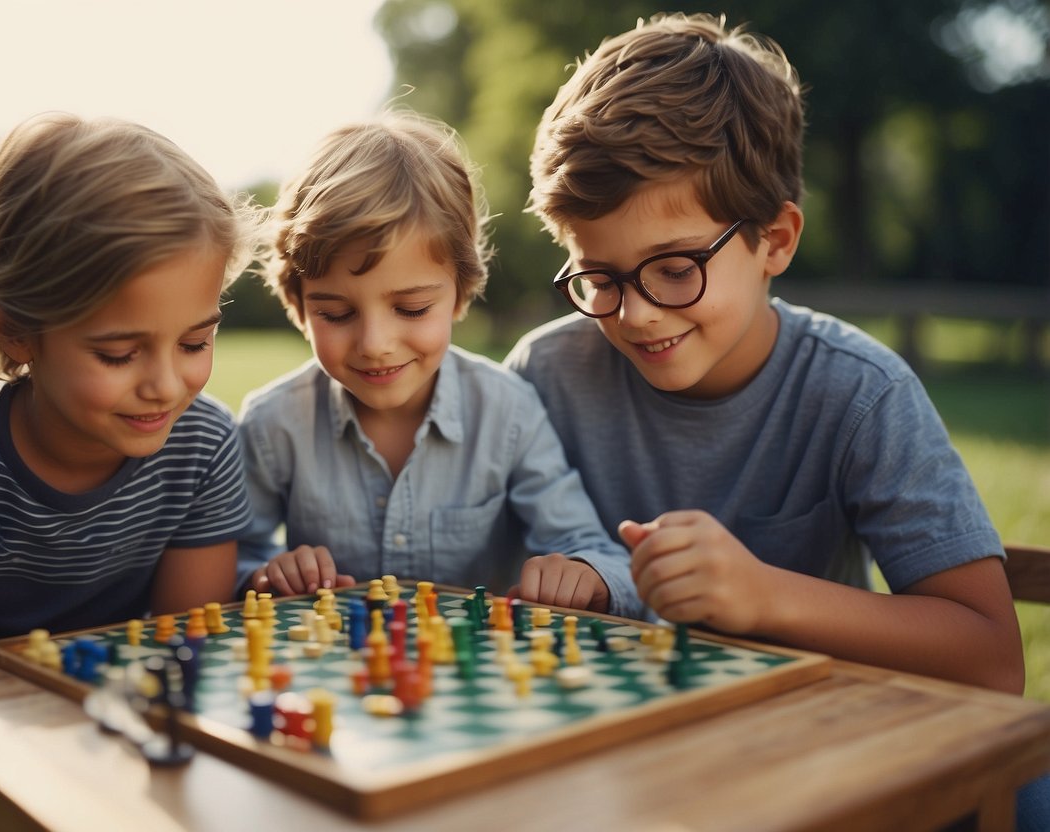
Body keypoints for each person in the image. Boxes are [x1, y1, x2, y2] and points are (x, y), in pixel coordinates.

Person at [506, 14, 1025, 689]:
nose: (634, 314)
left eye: (673, 268)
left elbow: (992, 660)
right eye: (599, 277)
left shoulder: (859, 393)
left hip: (807, 748)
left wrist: (765, 596)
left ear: (775, 240)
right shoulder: (543, 376)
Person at [0, 113, 255, 663]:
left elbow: (188, 649)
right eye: (118, 354)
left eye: (194, 344)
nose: (165, 387)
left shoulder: (203, 443)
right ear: (16, 332)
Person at [236, 110, 640, 617]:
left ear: (459, 294)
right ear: (298, 305)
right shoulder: (274, 423)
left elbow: (594, 549)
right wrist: (265, 573)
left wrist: (584, 575)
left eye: (411, 309)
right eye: (336, 313)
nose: (375, 343)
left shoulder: (507, 412)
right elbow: (231, 555)